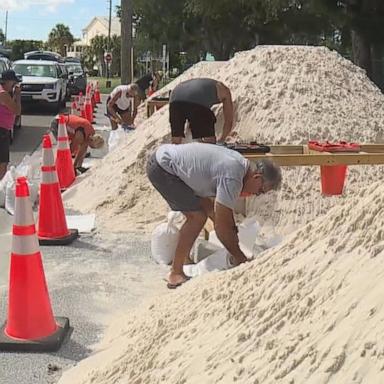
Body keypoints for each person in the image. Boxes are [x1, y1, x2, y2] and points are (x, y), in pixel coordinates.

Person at [147, 142, 282, 288]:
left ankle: (183, 261)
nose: (256, 194)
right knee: (197, 218)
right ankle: (175, 273)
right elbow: (222, 228)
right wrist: (240, 258)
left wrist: (232, 232)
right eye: (260, 190)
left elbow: (221, 215)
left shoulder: (240, 165)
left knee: (209, 209)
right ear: (256, 177)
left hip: (164, 161)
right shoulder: (233, 176)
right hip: (164, 169)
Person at [169, 78, 234, 145]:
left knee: (176, 141)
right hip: (197, 97)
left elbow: (191, 112)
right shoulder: (225, 91)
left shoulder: (209, 85)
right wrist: (222, 139)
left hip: (175, 96)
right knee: (209, 141)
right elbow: (229, 120)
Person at [0, 70, 21, 180]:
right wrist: (18, 95)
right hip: (2, 131)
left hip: (4, 129)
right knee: (3, 163)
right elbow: (17, 110)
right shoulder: (3, 94)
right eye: (13, 83)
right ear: (8, 81)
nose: (14, 86)